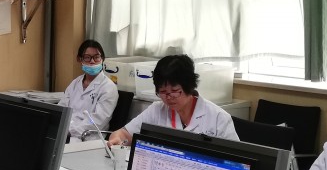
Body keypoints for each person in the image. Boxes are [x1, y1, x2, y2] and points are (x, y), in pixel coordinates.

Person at [108, 54, 238, 146]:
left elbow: (238, 159)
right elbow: (124, 133)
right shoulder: (156, 109)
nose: (168, 97)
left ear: (189, 86)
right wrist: (117, 139)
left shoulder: (218, 118)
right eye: (163, 92)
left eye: (175, 91)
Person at [60, 39, 119, 141]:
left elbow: (97, 121)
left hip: (88, 137)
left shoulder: (108, 87)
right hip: (66, 132)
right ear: (80, 59)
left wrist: (69, 131)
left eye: (96, 57)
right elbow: (61, 108)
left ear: (102, 59)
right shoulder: (75, 83)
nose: (92, 61)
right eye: (87, 57)